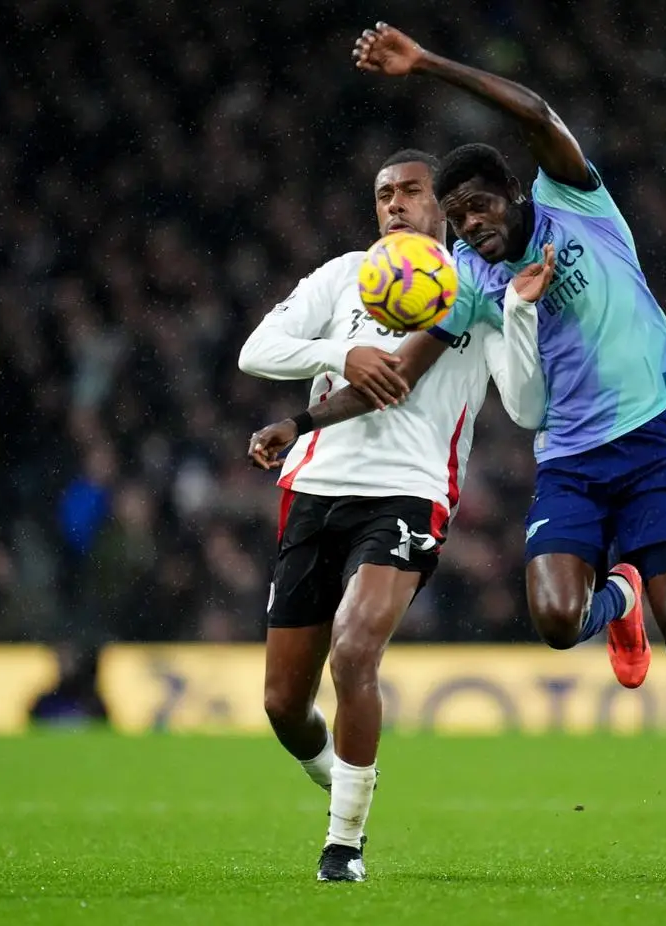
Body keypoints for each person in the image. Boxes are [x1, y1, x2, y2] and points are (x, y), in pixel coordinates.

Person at [249, 26, 666, 883]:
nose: (468, 227)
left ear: (512, 193)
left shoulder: (577, 202)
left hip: (651, 440)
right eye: (455, 221)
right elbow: (403, 378)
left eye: (477, 209)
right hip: (569, 460)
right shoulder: (465, 279)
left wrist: (427, 67)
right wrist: (301, 426)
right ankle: (616, 598)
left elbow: (534, 110)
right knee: (560, 620)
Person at [239, 148, 551, 883]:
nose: (394, 205)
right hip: (314, 490)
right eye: (383, 195)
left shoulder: (477, 286)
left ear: (443, 207)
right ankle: (351, 781)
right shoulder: (347, 274)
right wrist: (341, 352)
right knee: (284, 704)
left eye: (411, 192)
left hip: (410, 492)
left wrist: (522, 314)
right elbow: (259, 350)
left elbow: (527, 406)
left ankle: (343, 844)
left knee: (354, 652)